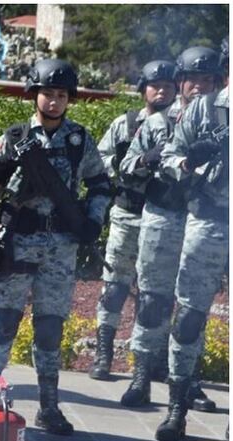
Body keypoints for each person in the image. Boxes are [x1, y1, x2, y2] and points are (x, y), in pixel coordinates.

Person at [0, 59, 112, 435]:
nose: (54, 101)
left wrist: (94, 222)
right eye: (48, 93)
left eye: (62, 95)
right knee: (3, 322)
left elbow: (100, 185)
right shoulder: (14, 137)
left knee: (50, 328)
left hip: (60, 248)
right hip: (18, 244)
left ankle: (48, 407)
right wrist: (0, 174)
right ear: (34, 94)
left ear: (70, 99)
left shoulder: (78, 141)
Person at [119, 46, 222, 408]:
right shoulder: (159, 122)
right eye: (193, 80)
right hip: (164, 216)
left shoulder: (220, 122)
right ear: (180, 82)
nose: (200, 87)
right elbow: (125, 169)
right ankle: (141, 378)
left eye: (208, 81)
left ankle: (189, 382)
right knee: (153, 300)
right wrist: (152, 159)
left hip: (205, 222)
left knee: (194, 306)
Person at [89, 60, 177, 380]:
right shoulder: (125, 125)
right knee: (114, 287)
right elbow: (99, 164)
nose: (162, 90)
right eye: (155, 85)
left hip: (167, 218)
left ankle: (153, 359)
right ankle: (103, 352)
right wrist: (138, 164)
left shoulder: (182, 124)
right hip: (128, 214)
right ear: (143, 90)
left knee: (158, 293)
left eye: (169, 85)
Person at [155, 68, 228, 441]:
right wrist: (189, 161)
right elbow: (169, 156)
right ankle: (176, 410)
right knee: (188, 319)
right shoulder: (204, 109)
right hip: (209, 222)